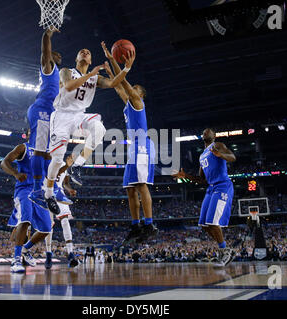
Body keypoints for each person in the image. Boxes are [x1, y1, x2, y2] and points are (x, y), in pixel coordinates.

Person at [41, 46, 136, 213]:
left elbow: (114, 83)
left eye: (88, 52)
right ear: (77, 58)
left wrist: (126, 68)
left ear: (91, 60)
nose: (85, 52)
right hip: (62, 116)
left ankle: (76, 166)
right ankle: (48, 194)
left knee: (100, 129)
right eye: (82, 52)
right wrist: (91, 74)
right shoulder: (66, 71)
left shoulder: (95, 78)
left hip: (79, 115)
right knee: (57, 159)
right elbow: (69, 86)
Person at [101, 41, 158, 245]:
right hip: (134, 147)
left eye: (135, 88)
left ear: (140, 94)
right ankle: (136, 225)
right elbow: (118, 86)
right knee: (130, 188)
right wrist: (110, 61)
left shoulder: (138, 101)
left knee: (141, 185)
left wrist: (123, 68)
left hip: (142, 145)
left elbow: (124, 83)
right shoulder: (128, 103)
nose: (131, 88)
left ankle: (149, 224)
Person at [1, 130, 68, 273]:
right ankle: (16, 259)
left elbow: (52, 172)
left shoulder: (46, 153)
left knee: (46, 228)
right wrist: (15, 173)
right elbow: (4, 162)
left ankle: (25, 250)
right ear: (28, 134)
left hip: (40, 192)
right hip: (24, 190)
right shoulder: (22, 148)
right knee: (25, 220)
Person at [173, 128, 237, 266]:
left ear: (214, 136)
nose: (206, 132)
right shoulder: (202, 155)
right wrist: (186, 176)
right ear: (202, 137)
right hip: (211, 187)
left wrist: (221, 155)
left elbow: (233, 157)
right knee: (204, 225)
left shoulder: (218, 145)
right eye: (204, 131)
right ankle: (225, 248)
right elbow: (202, 180)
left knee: (213, 222)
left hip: (222, 186)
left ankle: (224, 251)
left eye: (209, 131)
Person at [27, 28, 70, 208]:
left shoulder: (57, 75)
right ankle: (37, 190)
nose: (57, 54)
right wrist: (48, 35)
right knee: (39, 151)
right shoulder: (47, 67)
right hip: (41, 110)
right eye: (54, 52)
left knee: (49, 153)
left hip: (51, 113)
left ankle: (48, 186)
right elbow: (45, 50)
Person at [44, 156, 79, 269]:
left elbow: (65, 183)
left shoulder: (65, 164)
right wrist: (66, 166)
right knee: (48, 226)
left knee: (65, 221)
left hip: (60, 193)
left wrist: (70, 190)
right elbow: (53, 177)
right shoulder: (48, 162)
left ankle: (70, 253)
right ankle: (48, 254)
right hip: (48, 193)